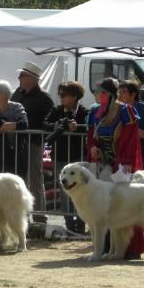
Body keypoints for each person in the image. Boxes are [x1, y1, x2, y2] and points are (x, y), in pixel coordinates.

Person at [87, 77, 144, 259]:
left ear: (109, 94)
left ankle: (127, 248)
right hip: (102, 165)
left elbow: (130, 141)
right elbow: (90, 137)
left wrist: (124, 164)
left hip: (121, 166)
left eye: (99, 92)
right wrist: (92, 148)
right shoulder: (95, 111)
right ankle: (103, 246)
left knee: (124, 205)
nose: (96, 95)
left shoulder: (126, 111)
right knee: (100, 205)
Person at [43, 80, 89, 233]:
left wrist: (78, 127)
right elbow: (45, 124)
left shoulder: (83, 111)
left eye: (64, 95)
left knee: (81, 190)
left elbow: (89, 128)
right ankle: (69, 224)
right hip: (61, 156)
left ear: (75, 96)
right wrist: (58, 125)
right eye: (60, 94)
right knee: (64, 190)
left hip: (78, 156)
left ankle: (81, 224)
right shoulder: (56, 110)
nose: (61, 97)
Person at [11, 61, 54, 220]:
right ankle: (20, 216)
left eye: (22, 75)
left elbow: (49, 122)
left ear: (31, 78)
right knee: (18, 178)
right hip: (15, 144)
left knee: (35, 179)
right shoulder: (17, 93)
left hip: (33, 143)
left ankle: (39, 216)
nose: (19, 77)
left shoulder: (44, 98)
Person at [118, 79, 144, 170]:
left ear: (133, 95)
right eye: (119, 92)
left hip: (143, 156)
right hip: (122, 156)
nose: (120, 95)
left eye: (123, 92)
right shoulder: (117, 109)